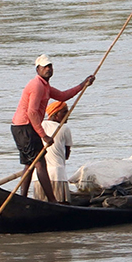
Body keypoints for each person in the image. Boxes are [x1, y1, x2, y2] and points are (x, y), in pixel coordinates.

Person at [12, 54, 94, 203]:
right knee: (40, 163)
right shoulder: (37, 85)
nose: (48, 69)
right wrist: (44, 136)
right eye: (45, 67)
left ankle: (23, 198)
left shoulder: (45, 86)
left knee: (29, 163)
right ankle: (52, 200)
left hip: (22, 127)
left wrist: (83, 85)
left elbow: (62, 96)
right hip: (24, 126)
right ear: (38, 70)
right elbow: (32, 112)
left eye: (50, 66)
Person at [33, 101, 72, 202]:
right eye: (64, 112)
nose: (67, 115)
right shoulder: (64, 128)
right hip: (57, 175)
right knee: (61, 203)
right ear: (55, 115)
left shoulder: (40, 126)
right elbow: (66, 155)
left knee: (40, 204)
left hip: (38, 177)